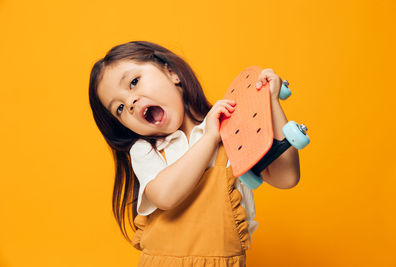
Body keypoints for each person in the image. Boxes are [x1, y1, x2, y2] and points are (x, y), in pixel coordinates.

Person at [88, 41, 300, 266]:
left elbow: (286, 177)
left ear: (171, 73)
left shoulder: (231, 130)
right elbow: (165, 195)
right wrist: (210, 138)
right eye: (119, 109)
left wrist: (270, 101)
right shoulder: (146, 150)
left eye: (134, 82)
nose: (130, 103)